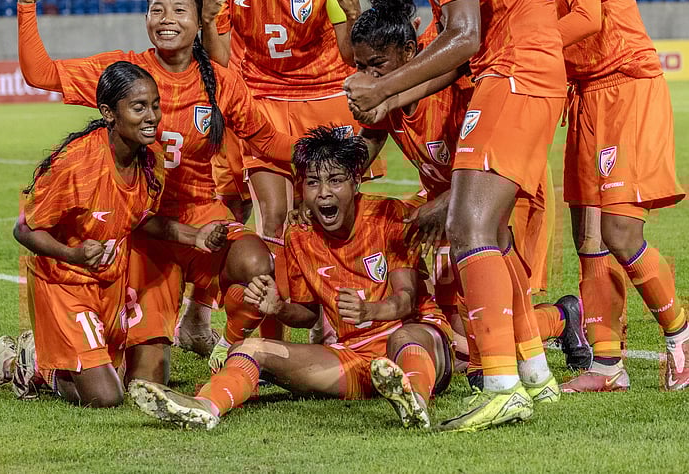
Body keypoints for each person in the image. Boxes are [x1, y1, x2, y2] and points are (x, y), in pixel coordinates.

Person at [344, 0, 567, 432]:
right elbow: (461, 53)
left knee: (467, 224)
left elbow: (464, 38)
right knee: (488, 228)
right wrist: (389, 100)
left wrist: (384, 86)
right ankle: (532, 372)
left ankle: (498, 385)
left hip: (516, 72)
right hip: (514, 71)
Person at [460, 0, 689, 392]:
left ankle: (680, 332)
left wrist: (518, 49)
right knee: (587, 233)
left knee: (618, 231)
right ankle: (607, 366)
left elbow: (588, 18)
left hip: (625, 85)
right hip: (585, 93)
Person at [13, 0, 287, 378]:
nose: (166, 19)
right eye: (156, 9)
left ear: (198, 21)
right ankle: (37, 358)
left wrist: (331, 157)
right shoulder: (127, 74)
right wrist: (26, 7)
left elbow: (272, 141)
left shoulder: (221, 83)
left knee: (255, 261)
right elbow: (42, 74)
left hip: (201, 219)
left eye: (179, 10)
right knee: (143, 381)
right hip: (144, 231)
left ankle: (228, 345)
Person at [128, 126, 454, 430]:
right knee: (251, 348)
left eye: (335, 181)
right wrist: (278, 306)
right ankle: (204, 408)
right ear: (301, 188)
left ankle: (415, 403)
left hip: (420, 345)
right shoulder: (299, 235)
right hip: (356, 358)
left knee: (403, 339)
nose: (323, 193)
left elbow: (406, 299)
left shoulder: (387, 215)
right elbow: (308, 314)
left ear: (356, 182)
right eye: (312, 183)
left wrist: (370, 312)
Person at [350, 0, 592, 380]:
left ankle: (563, 318)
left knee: (497, 315)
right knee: (463, 322)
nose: (368, 77)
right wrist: (326, 188)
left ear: (410, 55)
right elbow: (362, 150)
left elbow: (491, 166)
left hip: (507, 193)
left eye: (377, 65)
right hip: (446, 205)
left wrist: (442, 205)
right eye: (360, 67)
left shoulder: (459, 95)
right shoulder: (384, 103)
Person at [14, 61, 228, 407]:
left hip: (110, 283)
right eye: (139, 107)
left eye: (155, 105)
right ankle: (33, 366)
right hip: (65, 285)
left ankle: (46, 365)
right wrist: (72, 254)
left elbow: (140, 218)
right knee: (106, 397)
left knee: (132, 381)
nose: (152, 116)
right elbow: (23, 229)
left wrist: (196, 237)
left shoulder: (151, 160)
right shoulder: (76, 164)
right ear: (108, 113)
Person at [200, 0, 369, 263]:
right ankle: (271, 324)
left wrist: (355, 12)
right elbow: (220, 58)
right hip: (262, 99)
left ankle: (328, 324)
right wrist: (208, 18)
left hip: (325, 95)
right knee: (273, 218)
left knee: (331, 215)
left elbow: (349, 53)